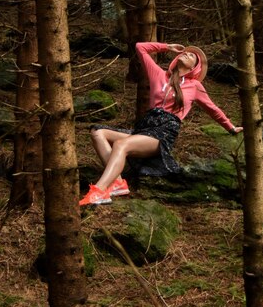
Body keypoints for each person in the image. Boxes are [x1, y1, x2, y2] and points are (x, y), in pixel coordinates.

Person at [79, 41, 243, 205]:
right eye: (185, 52)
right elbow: (140, 48)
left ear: (195, 67)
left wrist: (231, 127)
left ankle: (99, 191)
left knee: (121, 144)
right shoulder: (158, 74)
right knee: (97, 132)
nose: (186, 53)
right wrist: (167, 47)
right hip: (145, 128)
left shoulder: (195, 86)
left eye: (192, 55)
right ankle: (117, 183)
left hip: (163, 134)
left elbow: (213, 109)